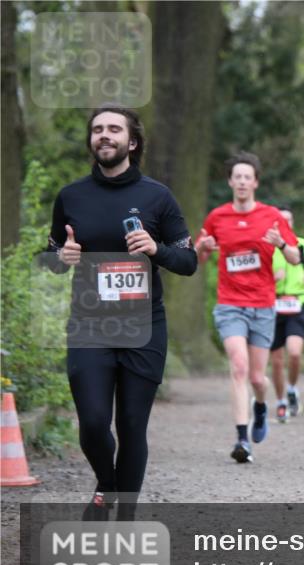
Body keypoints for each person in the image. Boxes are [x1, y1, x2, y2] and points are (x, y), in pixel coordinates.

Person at [46, 103, 197, 520]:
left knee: (131, 426)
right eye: (97, 130)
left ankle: (124, 519)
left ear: (132, 141)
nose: (104, 135)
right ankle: (107, 488)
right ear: (91, 141)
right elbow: (49, 258)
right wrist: (63, 256)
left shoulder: (156, 197)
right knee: (94, 423)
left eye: (114, 129)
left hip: (144, 327)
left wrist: (156, 249)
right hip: (89, 327)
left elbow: (188, 262)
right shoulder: (72, 197)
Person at [196, 152, 300, 463]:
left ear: (255, 182)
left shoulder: (271, 216)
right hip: (230, 304)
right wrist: (201, 247)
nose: (241, 181)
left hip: (263, 305)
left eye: (247, 177)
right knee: (238, 366)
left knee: (257, 378)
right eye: (236, 176)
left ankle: (260, 406)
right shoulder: (217, 217)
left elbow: (296, 257)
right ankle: (242, 438)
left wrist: (280, 243)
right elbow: (198, 258)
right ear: (230, 181)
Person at [270, 206, 304, 421]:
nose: (286, 223)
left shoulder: (301, 243)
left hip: (297, 303)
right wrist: (273, 278)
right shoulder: (269, 245)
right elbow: (259, 271)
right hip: (273, 304)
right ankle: (281, 401)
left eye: (289, 220)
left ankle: (292, 388)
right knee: (277, 360)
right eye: (282, 220)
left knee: (295, 352)